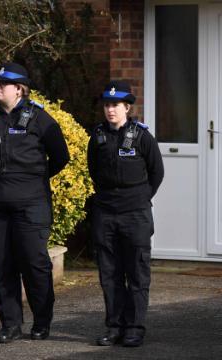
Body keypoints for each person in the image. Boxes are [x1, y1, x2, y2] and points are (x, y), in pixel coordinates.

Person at [0, 62, 70, 343]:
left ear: (19, 89)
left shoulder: (40, 119)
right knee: (1, 264)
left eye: (2, 83)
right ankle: (10, 324)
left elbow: (60, 157)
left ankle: (41, 322)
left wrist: (29, 181)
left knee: (35, 263)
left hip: (30, 205)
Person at [88, 80, 164, 347]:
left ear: (127, 108)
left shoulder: (142, 136)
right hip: (106, 213)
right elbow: (93, 170)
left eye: (115, 105)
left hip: (135, 214)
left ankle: (134, 327)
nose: (110, 110)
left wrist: (140, 198)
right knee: (109, 273)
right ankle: (114, 326)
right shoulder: (97, 136)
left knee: (137, 272)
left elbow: (157, 172)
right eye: (107, 105)